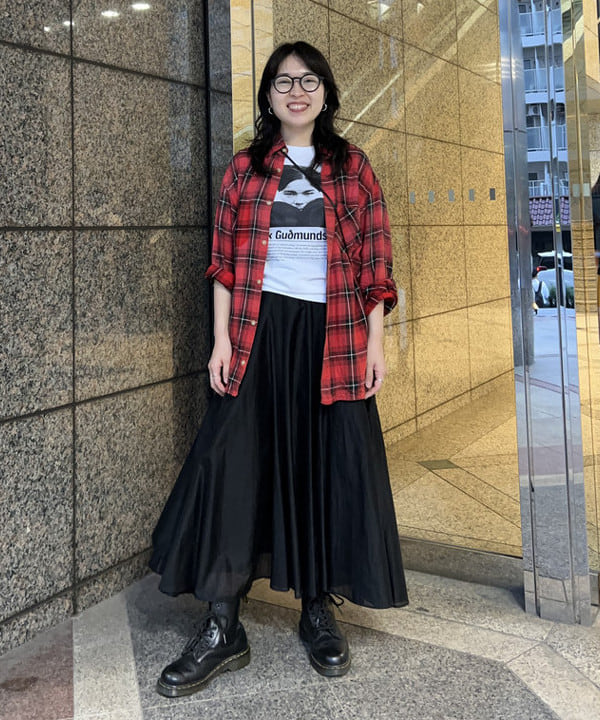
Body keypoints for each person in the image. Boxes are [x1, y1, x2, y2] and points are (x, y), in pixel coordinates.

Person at [149, 40, 408, 699]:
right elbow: (223, 264)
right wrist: (220, 342)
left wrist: (376, 344)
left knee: (320, 466)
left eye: (309, 80)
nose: (297, 91)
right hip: (255, 331)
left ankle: (317, 609)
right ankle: (222, 624)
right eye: (285, 82)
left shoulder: (352, 167)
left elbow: (376, 266)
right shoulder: (246, 169)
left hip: (334, 335)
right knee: (231, 465)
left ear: (326, 93)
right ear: (268, 95)